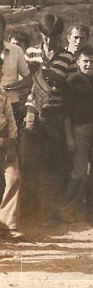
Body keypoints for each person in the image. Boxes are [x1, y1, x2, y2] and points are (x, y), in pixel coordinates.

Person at [23, 13, 78, 224]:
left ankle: (53, 211)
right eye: (46, 37)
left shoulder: (67, 58)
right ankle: (34, 210)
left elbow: (73, 89)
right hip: (33, 115)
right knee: (32, 162)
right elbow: (25, 83)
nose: (49, 42)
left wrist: (55, 78)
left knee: (55, 164)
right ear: (41, 35)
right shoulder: (31, 53)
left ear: (60, 36)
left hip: (55, 117)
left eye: (53, 38)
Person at [64, 45, 93, 222]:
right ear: (78, 62)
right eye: (85, 61)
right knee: (79, 172)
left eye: (92, 61)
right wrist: (69, 137)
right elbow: (66, 111)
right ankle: (69, 210)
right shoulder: (71, 81)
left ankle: (92, 212)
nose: (89, 65)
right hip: (79, 129)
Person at [0, 56, 23, 240]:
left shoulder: (1, 92)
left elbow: (10, 118)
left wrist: (12, 140)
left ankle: (8, 226)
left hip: (5, 142)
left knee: (13, 177)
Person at [0, 14, 32, 129]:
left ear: (3, 28)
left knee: (13, 136)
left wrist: (10, 87)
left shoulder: (16, 50)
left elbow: (28, 79)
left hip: (12, 103)